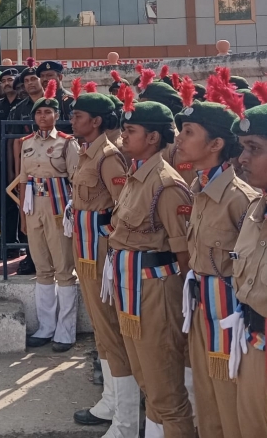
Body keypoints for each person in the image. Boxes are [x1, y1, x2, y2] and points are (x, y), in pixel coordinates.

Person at [109, 98, 194, 438]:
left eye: (130, 131)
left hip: (156, 293)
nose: (123, 137)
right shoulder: (136, 174)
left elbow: (184, 253)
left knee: (167, 393)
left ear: (153, 138)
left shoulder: (167, 184)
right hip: (131, 289)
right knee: (148, 382)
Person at [175, 96, 255, 438]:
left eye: (188, 132)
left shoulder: (239, 197)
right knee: (206, 401)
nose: (178, 138)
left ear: (216, 144)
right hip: (201, 311)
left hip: (230, 318)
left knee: (229, 402)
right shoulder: (200, 186)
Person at [69, 93, 139, 437]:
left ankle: (125, 416)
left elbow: (122, 209)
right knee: (101, 328)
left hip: (99, 252)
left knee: (111, 329)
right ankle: (111, 400)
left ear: (96, 121)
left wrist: (105, 241)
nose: (72, 120)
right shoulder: (87, 153)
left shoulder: (109, 157)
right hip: (84, 253)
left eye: (78, 115)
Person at [17, 80, 79, 351]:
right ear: (34, 117)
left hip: (59, 207)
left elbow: (76, 180)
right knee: (42, 268)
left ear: (56, 115)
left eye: (48, 113)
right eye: (39, 113)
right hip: (34, 206)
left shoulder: (67, 143)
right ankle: (46, 327)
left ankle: (65, 331)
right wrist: (22, 214)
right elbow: (22, 179)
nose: (43, 117)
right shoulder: (26, 143)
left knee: (64, 269)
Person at [230, 103, 267, 435]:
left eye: (253, 149)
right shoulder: (257, 208)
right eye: (243, 149)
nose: (242, 158)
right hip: (254, 344)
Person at [8, 59, 45, 275]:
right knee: (28, 215)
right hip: (29, 171)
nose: (31, 83)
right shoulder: (18, 109)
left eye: (34, 79)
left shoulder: (53, 105)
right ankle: (30, 258)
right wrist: (16, 172)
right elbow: (14, 141)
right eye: (27, 80)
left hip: (53, 171)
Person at [0, 68, 20, 260]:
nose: (7, 83)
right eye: (4, 80)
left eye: (10, 79)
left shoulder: (23, 104)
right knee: (1, 202)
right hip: (0, 160)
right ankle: (5, 241)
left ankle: (17, 242)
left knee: (19, 202)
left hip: (21, 160)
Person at [36, 60, 72, 126]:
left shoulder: (69, 100)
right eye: (42, 76)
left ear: (60, 77)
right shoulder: (40, 101)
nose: (44, 79)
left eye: (49, 75)